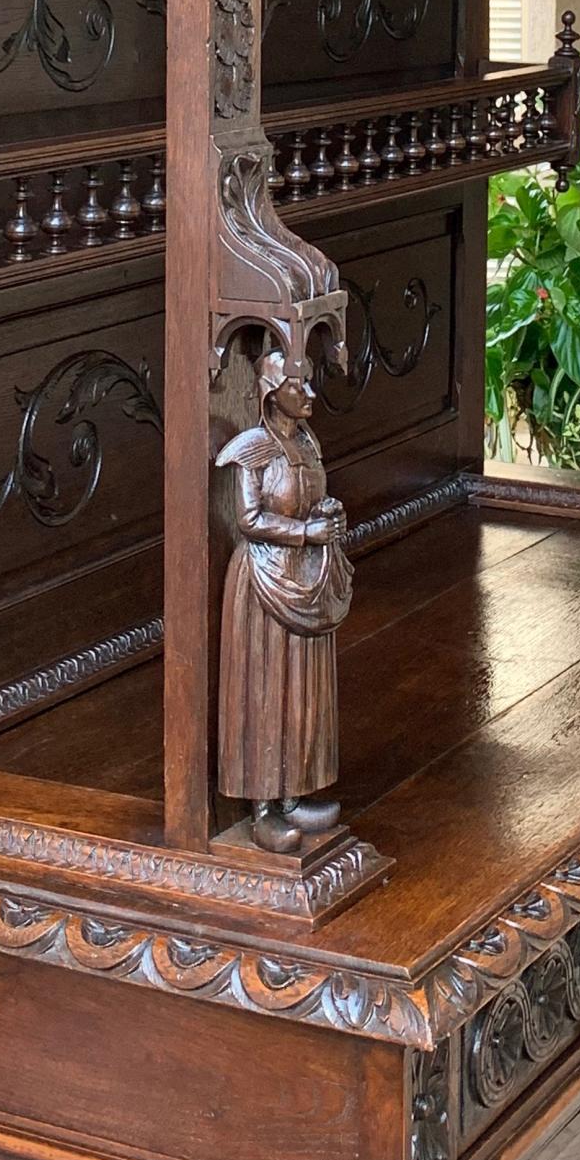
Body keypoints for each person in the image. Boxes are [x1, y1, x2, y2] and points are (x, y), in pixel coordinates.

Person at [215, 337, 352, 853]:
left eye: (310, 380)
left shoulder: (308, 443)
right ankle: (262, 808)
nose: (310, 392)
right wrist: (303, 534)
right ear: (273, 392)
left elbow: (313, 497)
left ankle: (293, 793)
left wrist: (328, 517)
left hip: (305, 581)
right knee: (265, 688)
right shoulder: (255, 448)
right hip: (264, 582)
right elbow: (249, 518)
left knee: (302, 688)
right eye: (299, 385)